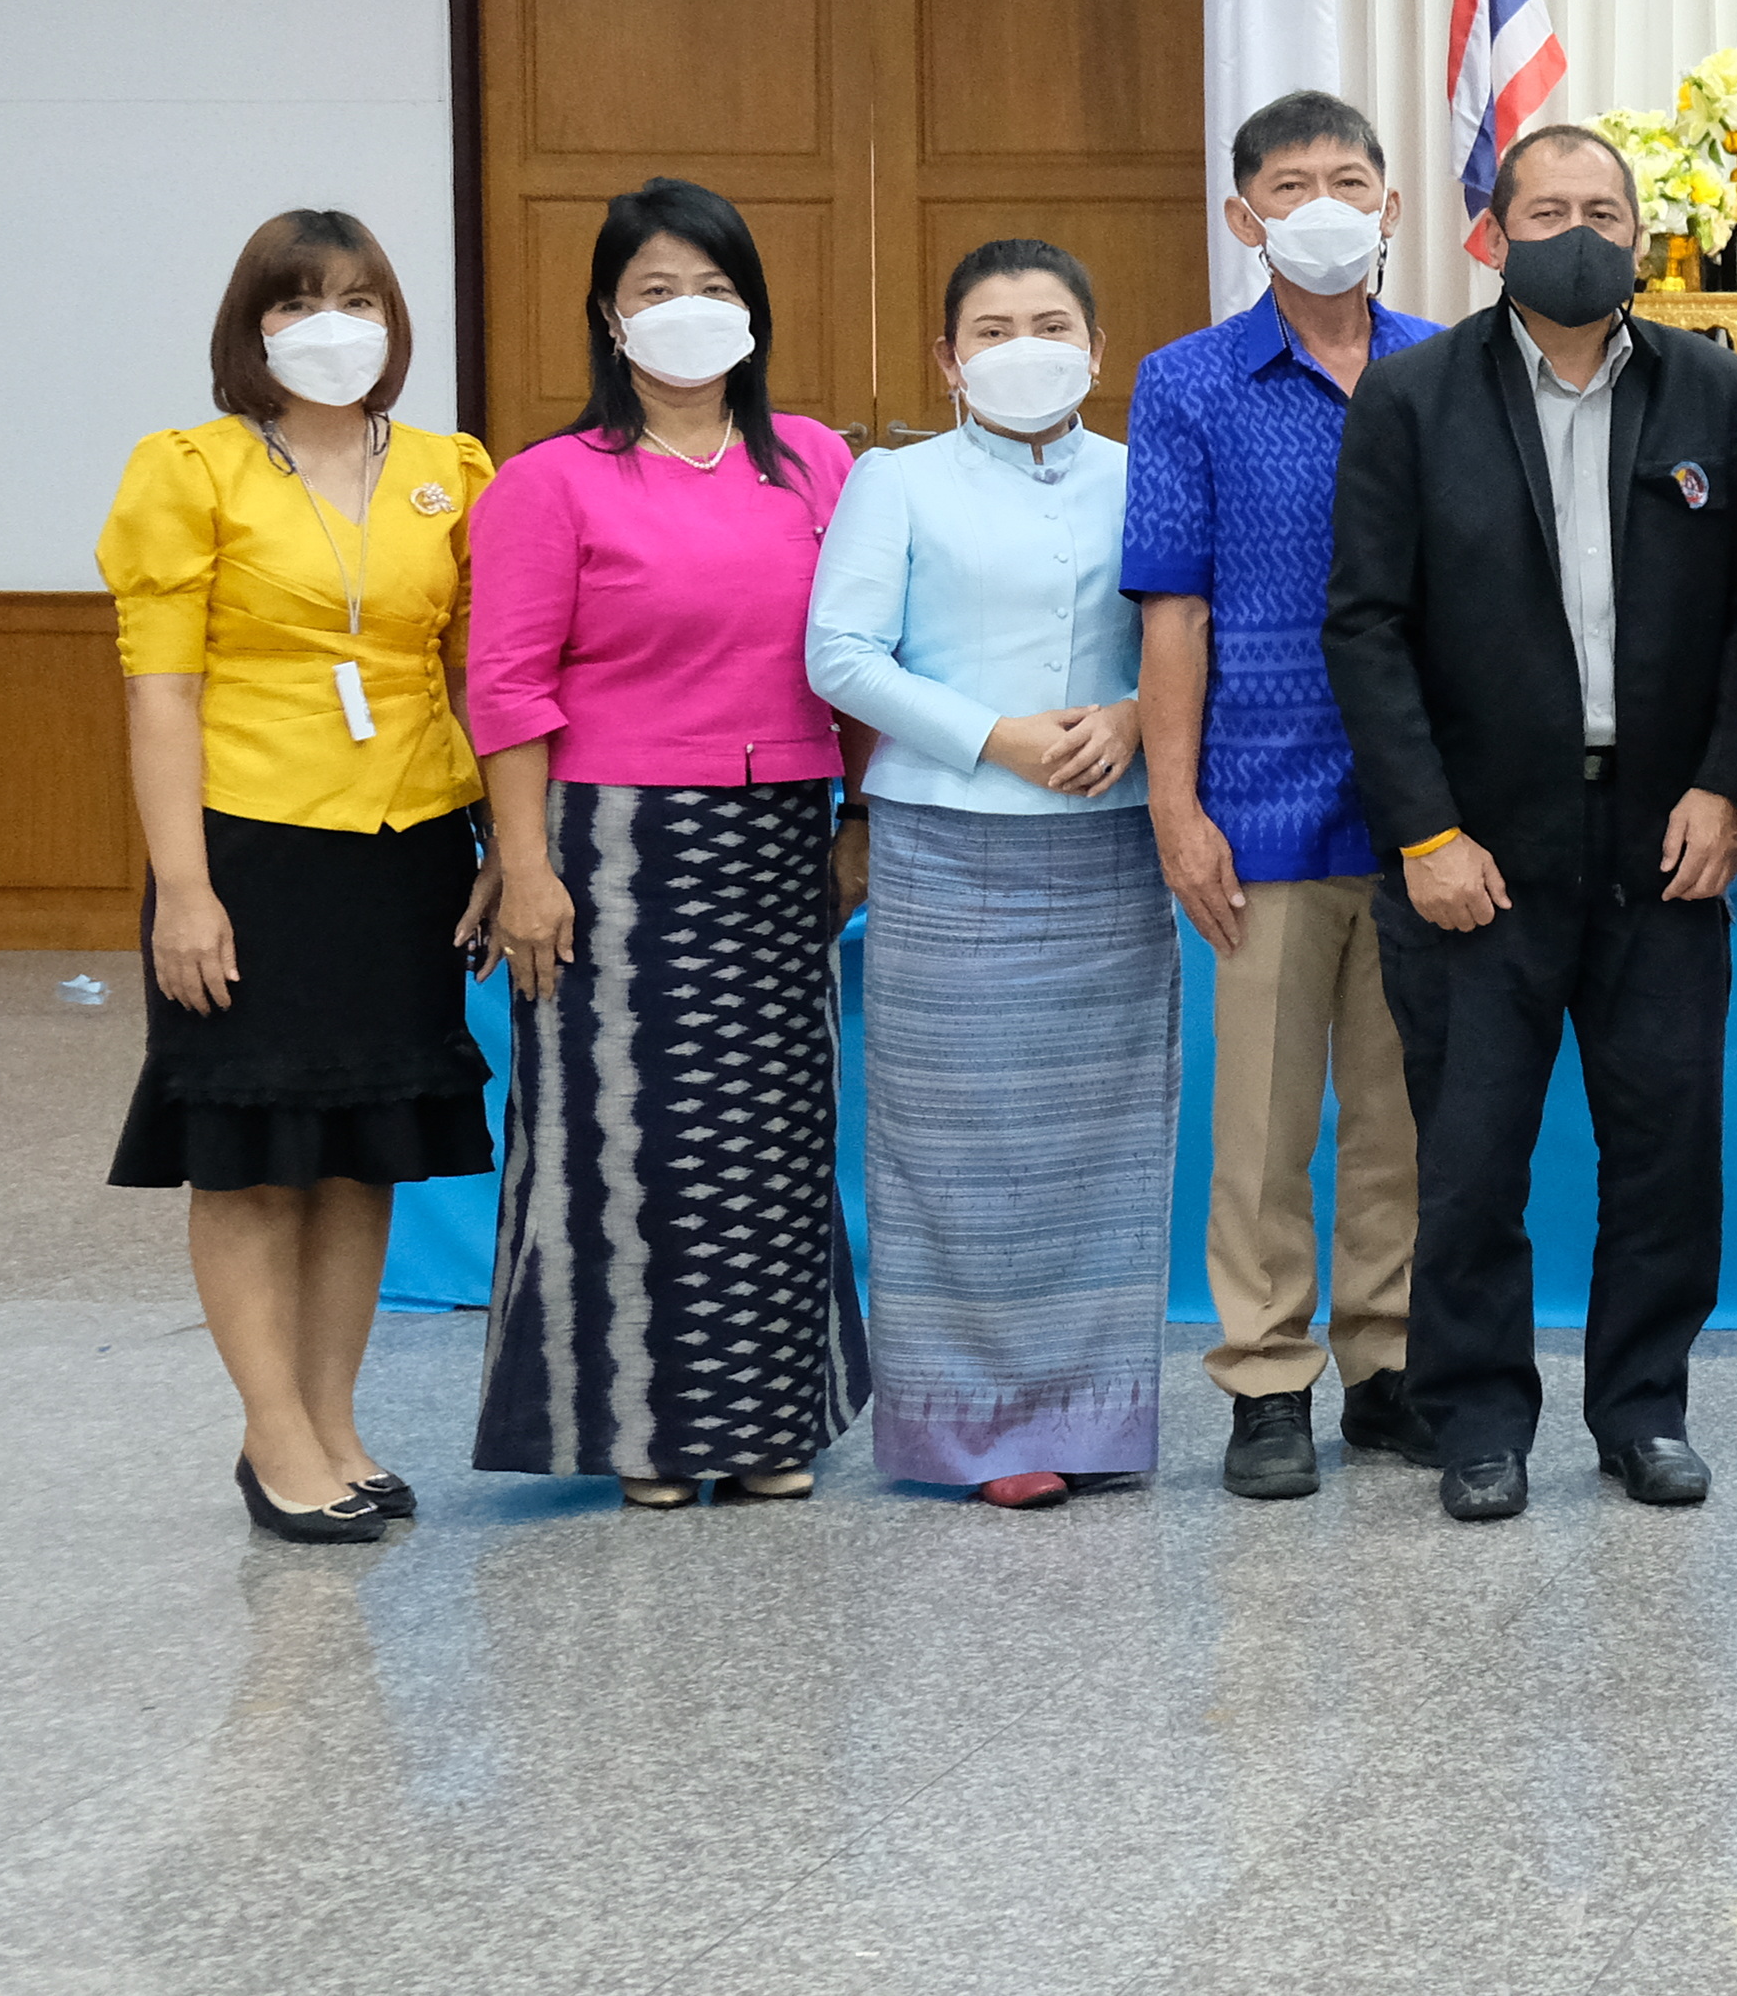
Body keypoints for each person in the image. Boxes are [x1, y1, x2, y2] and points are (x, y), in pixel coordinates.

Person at [1322, 121, 1737, 1522]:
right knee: (1469, 1155)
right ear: (1491, 232)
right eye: (1549, 206)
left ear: (1642, 234)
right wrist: (1427, 833)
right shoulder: (1410, 396)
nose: (1581, 230)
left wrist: (1721, 783)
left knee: (1667, 1144)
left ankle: (1643, 1409)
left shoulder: (1719, 389)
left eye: (1606, 209)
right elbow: (1367, 629)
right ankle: (1477, 1418)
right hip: (1478, 853)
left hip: (1663, 840)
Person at [466, 177, 868, 1504]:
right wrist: (523, 866)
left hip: (776, 839)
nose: (685, 313)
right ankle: (637, 1428)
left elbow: (857, 656)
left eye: (712, 287)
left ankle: (763, 1427)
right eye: (654, 291)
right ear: (607, 316)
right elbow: (510, 687)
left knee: (771, 1140)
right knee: (620, 1144)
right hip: (610, 852)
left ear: (754, 308)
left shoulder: (818, 460)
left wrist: (854, 814)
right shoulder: (546, 482)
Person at [102, 210, 498, 1542]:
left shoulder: (452, 468)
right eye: (298, 303)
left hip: (408, 843)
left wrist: (500, 846)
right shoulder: (188, 468)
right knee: (252, 1157)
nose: (334, 326)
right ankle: (273, 1437)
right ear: (250, 327)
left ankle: (334, 1421)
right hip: (249, 843)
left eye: (360, 300)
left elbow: (471, 673)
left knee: (359, 1153)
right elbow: (162, 695)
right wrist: (186, 888)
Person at [809, 239, 1172, 1510]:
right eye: (996, 327)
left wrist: (1130, 713)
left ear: (1098, 348)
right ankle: (973, 1426)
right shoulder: (893, 481)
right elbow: (839, 652)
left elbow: (1200, 632)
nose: (1027, 347)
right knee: (955, 1147)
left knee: (1101, 1144)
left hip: (1111, 846)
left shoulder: (1150, 475)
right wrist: (993, 734)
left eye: (1054, 323)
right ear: (949, 359)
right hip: (948, 845)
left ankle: (1094, 1413)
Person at [1124, 91, 1441, 1498]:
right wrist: (1175, 807)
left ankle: (1388, 1365)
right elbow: (1173, 611)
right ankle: (1265, 1381)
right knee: (1259, 1124)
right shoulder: (1186, 382)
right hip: (1258, 800)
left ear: (1392, 206)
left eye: (1351, 179)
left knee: (1401, 1113)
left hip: (1428, 809)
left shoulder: (1450, 366)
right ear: (1244, 214)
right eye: (1293, 183)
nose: (1326, 203)